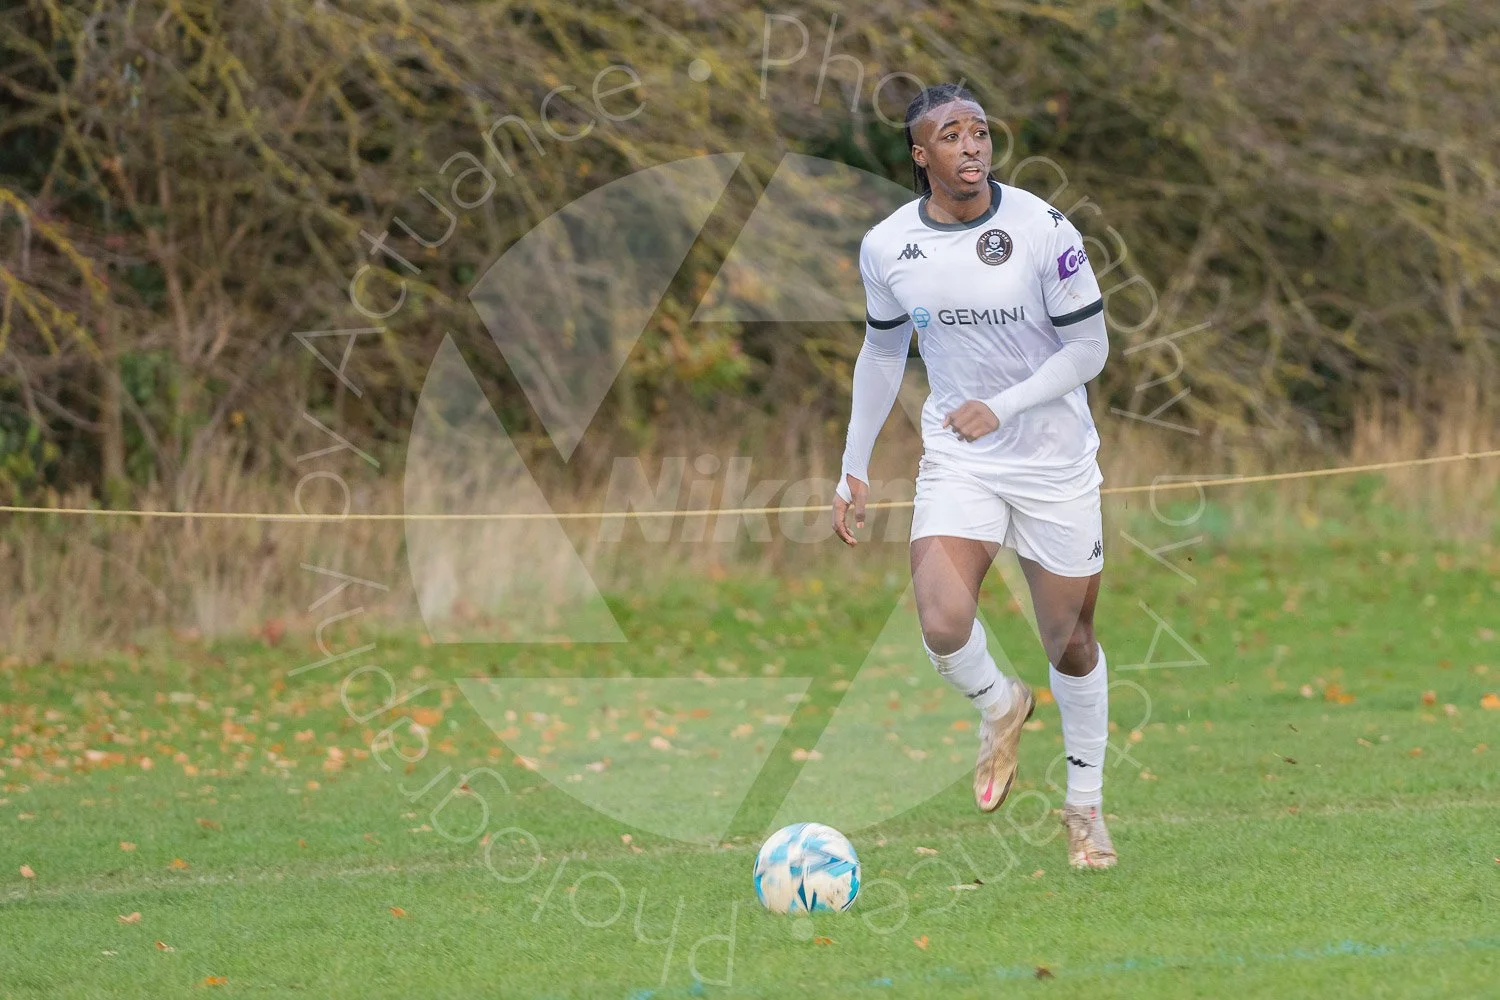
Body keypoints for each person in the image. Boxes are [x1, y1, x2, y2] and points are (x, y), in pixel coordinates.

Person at [832, 83, 1117, 869]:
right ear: (920, 154)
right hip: (960, 456)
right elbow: (882, 351)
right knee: (942, 619)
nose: (971, 146)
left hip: (1055, 460)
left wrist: (1005, 404)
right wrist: (853, 466)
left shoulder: (1043, 229)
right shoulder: (888, 245)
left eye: (979, 132)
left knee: (1070, 642)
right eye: (951, 135)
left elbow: (1090, 349)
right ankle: (1000, 704)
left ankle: (1085, 808)